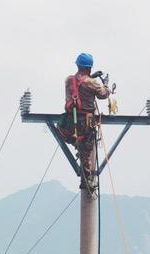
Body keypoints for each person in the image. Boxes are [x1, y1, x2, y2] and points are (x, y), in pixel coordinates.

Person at [61, 52, 110, 182]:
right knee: (86, 151)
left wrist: (90, 78)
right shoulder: (91, 83)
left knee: (77, 141)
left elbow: (79, 84)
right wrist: (105, 85)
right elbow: (103, 95)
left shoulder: (68, 80)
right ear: (89, 67)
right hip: (85, 122)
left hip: (70, 121)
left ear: (77, 65)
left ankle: (78, 146)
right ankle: (86, 181)